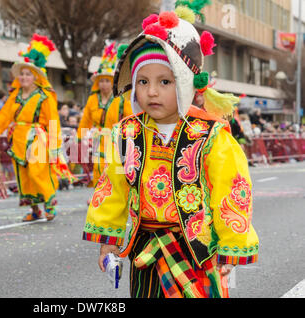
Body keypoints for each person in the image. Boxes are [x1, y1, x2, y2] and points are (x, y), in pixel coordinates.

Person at [82, 5, 259, 298]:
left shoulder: (210, 134)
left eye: (165, 81)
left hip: (196, 249)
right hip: (144, 249)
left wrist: (231, 246)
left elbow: (232, 191)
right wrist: (108, 239)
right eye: (143, 82)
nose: (152, 92)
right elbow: (113, 187)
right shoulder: (127, 133)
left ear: (187, 83)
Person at [0, 33, 75, 222]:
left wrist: (54, 146)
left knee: (37, 170)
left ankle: (49, 202)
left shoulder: (45, 96)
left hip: (38, 137)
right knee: (23, 175)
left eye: (29, 74)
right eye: (23, 73)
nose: (24, 77)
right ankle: (35, 209)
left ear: (36, 77)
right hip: (17, 138)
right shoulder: (15, 95)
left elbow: (53, 121)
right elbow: (4, 116)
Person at [76, 42, 132, 187]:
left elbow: (130, 119)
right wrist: (79, 139)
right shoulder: (93, 99)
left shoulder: (121, 99)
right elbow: (85, 121)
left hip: (116, 140)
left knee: (115, 171)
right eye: (101, 81)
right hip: (97, 140)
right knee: (98, 168)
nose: (104, 84)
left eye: (107, 81)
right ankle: (98, 197)